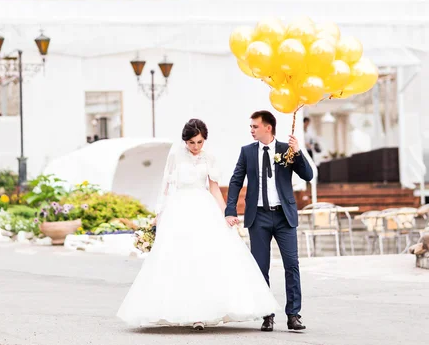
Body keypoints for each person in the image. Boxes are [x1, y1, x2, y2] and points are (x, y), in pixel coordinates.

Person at [117, 119, 279, 331]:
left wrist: (227, 214)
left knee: (207, 258)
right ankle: (185, 311)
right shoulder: (175, 157)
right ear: (185, 141)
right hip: (179, 208)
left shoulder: (209, 157)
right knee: (180, 259)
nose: (195, 147)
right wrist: (159, 214)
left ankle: (203, 313)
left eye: (199, 142)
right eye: (191, 142)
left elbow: (214, 189)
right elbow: (165, 188)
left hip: (204, 208)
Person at [225, 111, 314, 332]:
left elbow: (308, 175)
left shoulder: (286, 150)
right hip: (259, 217)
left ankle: (293, 315)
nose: (251, 130)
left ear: (268, 128)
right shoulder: (247, 152)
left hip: (284, 216)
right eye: (251, 127)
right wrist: (230, 209)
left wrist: (298, 152)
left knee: (291, 265)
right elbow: (236, 180)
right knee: (260, 268)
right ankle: (267, 315)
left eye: (255, 126)